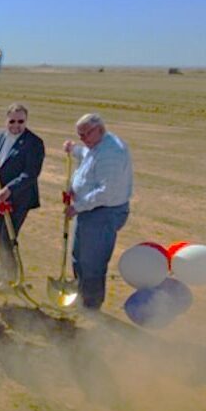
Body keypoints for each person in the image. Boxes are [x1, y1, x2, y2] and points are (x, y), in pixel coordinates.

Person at [63, 113, 133, 311]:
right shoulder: (96, 146)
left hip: (103, 213)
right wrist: (73, 149)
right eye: (79, 136)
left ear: (99, 130)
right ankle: (81, 296)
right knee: (78, 256)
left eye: (85, 135)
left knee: (92, 261)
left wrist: (77, 207)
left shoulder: (112, 154)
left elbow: (105, 192)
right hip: (89, 211)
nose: (82, 140)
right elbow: (87, 155)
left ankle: (91, 306)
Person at [0, 103, 45, 290]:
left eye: (21, 121)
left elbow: (31, 173)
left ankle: (10, 278)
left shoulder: (34, 143)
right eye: (12, 121)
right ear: (6, 120)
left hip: (19, 198)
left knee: (7, 237)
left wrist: (10, 189)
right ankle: (3, 273)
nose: (16, 125)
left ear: (26, 121)